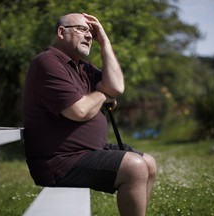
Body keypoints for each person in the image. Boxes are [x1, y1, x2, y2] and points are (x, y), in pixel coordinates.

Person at [23, 12, 157, 216]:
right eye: (82, 29)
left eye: (91, 32)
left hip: (87, 151)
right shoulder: (48, 63)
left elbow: (117, 87)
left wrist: (105, 42)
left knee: (149, 163)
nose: (88, 36)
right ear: (61, 32)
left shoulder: (82, 68)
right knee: (135, 167)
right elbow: (79, 111)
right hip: (59, 161)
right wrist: (102, 95)